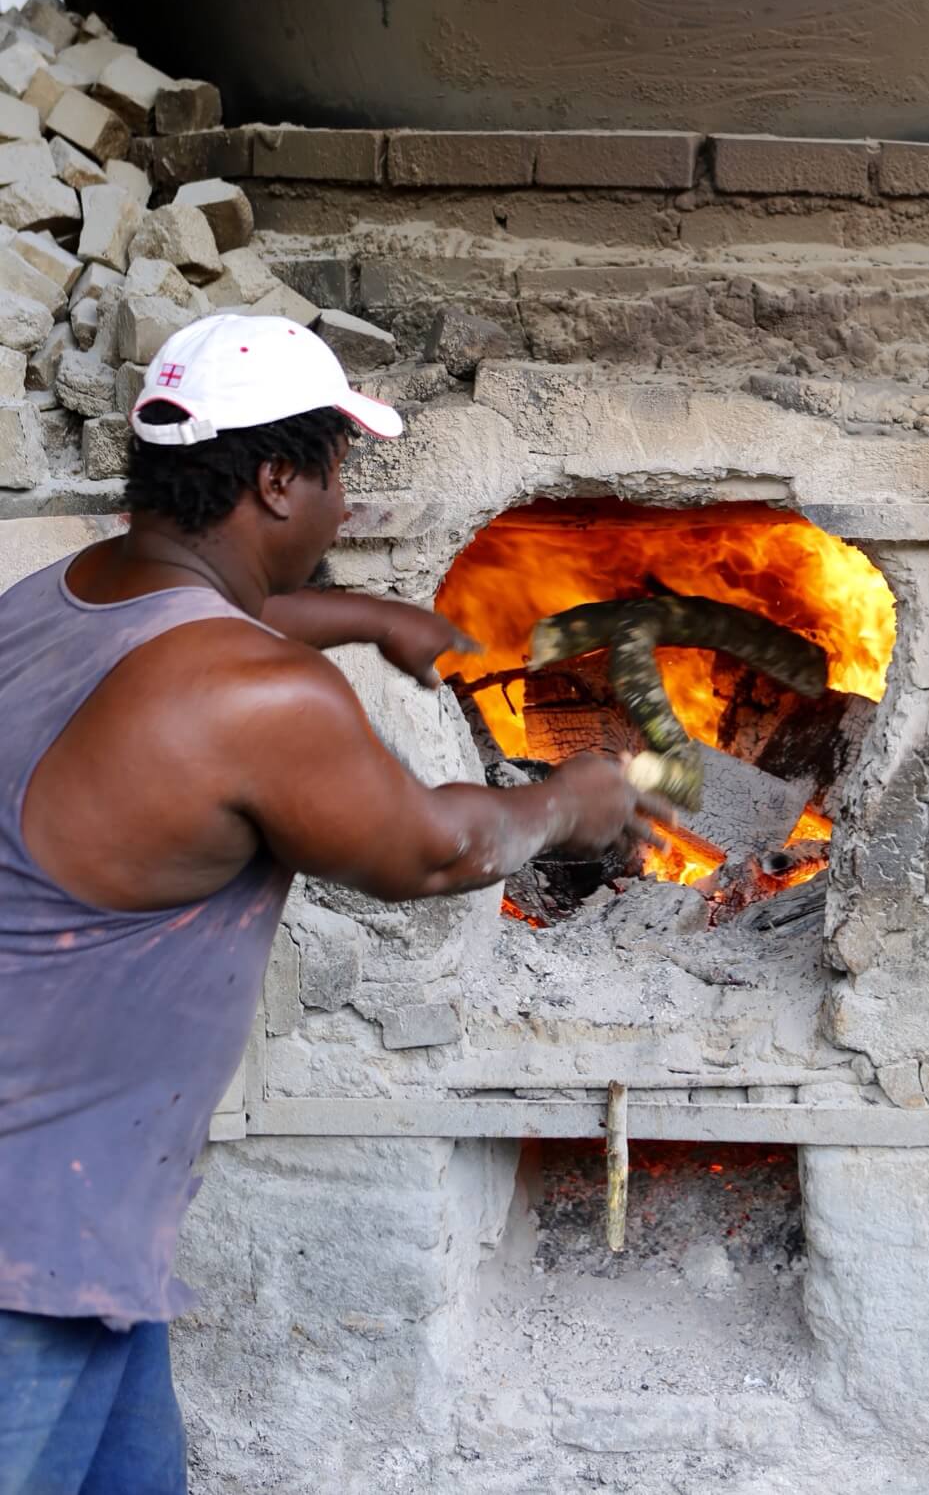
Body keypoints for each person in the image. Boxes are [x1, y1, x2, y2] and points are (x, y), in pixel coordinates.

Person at [0, 313, 671, 1495]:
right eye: (338, 472)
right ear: (274, 478)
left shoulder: (55, 599)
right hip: (24, 1249)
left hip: (84, 1218)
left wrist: (366, 614)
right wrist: (570, 799)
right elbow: (431, 852)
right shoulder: (260, 697)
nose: (347, 506)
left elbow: (197, 617)